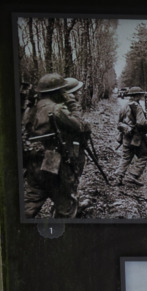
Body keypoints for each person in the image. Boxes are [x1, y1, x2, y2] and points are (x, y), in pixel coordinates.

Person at [21, 72, 90, 218]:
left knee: (30, 203)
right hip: (54, 163)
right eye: (63, 90)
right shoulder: (57, 109)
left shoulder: (30, 109)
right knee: (66, 207)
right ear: (58, 92)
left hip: (33, 162)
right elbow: (80, 126)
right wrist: (73, 105)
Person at [115, 89, 147, 187]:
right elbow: (141, 122)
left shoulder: (124, 106)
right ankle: (132, 176)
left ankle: (118, 177)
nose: (141, 97)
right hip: (136, 137)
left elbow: (119, 122)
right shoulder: (137, 107)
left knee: (126, 157)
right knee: (144, 155)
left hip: (126, 136)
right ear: (136, 96)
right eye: (140, 95)